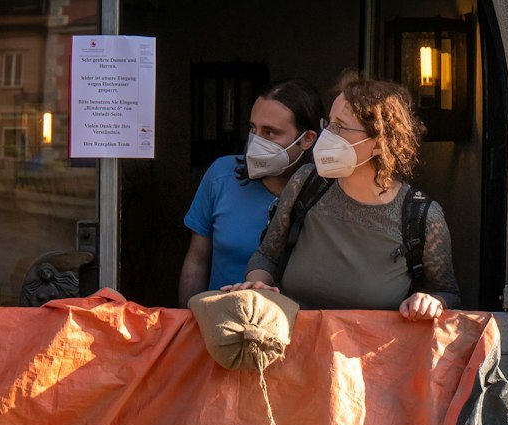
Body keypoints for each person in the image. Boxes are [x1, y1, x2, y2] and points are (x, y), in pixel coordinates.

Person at [227, 75, 459, 321]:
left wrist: (433, 301)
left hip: (367, 357)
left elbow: (447, 292)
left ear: (379, 143)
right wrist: (258, 286)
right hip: (291, 346)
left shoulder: (422, 217)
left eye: (340, 126)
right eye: (328, 123)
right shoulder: (307, 182)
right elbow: (267, 256)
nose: (327, 134)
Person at [177, 79, 323, 303]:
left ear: (307, 140)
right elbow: (197, 261)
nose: (256, 141)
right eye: (253, 129)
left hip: (295, 328)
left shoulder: (327, 194)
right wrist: (186, 321)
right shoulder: (221, 176)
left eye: (269, 132)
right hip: (220, 325)